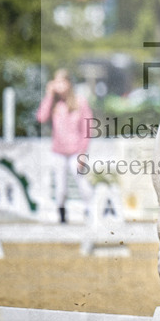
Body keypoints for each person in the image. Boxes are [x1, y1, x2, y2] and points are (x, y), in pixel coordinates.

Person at [36, 68, 93, 223]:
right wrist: (49, 95)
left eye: (61, 81)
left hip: (75, 150)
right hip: (58, 151)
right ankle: (62, 215)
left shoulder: (80, 102)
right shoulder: (54, 103)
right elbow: (41, 118)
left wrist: (83, 152)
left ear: (68, 83)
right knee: (60, 188)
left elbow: (87, 128)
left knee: (82, 182)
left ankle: (91, 211)